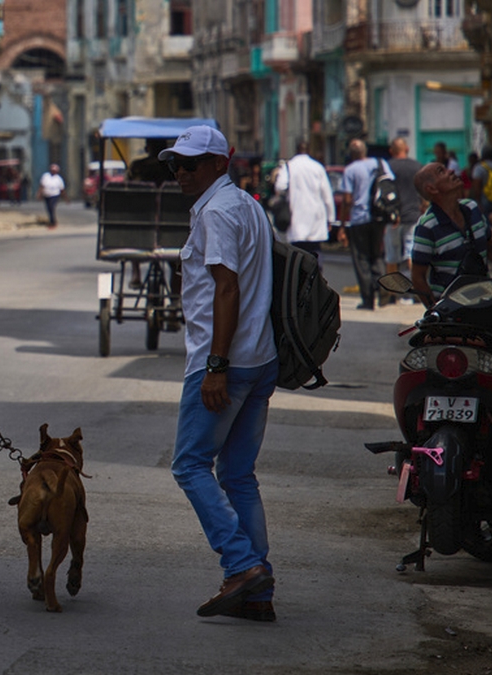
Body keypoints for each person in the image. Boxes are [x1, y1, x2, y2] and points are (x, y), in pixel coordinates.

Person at [156, 126, 278, 621]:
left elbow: (226, 289)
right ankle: (258, 594)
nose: (181, 173)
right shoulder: (246, 204)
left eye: (191, 163)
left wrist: (215, 367)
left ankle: (243, 565)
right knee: (237, 475)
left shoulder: (219, 212)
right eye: (175, 165)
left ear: (218, 164)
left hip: (226, 362)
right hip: (259, 358)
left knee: (189, 465)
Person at [410, 161, 492, 449]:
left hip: (487, 305)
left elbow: (491, 249)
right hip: (449, 313)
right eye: (442, 172)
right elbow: (418, 277)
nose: (450, 172)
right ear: (432, 189)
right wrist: (434, 309)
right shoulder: (427, 226)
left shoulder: (472, 208)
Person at [336, 139, 395, 310]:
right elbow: (389, 185)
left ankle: (368, 300)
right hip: (378, 218)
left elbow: (347, 200)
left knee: (361, 259)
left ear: (351, 154)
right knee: (377, 255)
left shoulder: (350, 170)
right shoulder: (380, 163)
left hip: (359, 219)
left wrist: (342, 225)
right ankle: (384, 290)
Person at [272, 141, 334, 259]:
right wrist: (330, 218)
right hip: (316, 215)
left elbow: (280, 186)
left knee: (298, 252)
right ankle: (317, 273)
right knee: (315, 249)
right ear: (309, 151)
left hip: (296, 213)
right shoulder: (317, 167)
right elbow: (327, 195)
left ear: (296, 150)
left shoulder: (289, 166)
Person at [127, 138, 172, 287]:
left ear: (147, 149)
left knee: (134, 229)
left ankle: (136, 273)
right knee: (177, 260)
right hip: (171, 223)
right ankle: (175, 296)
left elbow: (127, 189)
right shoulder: (174, 167)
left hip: (143, 220)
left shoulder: (138, 166)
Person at [386, 138, 424, 301]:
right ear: (407, 148)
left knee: (392, 256)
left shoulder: (387, 167)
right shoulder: (417, 166)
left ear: (391, 150)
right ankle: (416, 291)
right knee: (410, 254)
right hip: (413, 215)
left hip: (392, 217)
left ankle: (393, 293)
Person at [469, 145, 492, 241]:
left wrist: (478, 201)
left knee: (488, 225)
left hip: (486, 200)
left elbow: (476, 186)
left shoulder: (479, 168)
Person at [38, 163, 65, 228]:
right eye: (52, 170)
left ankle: (53, 221)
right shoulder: (45, 176)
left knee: (52, 207)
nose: (53, 172)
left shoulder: (59, 178)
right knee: (48, 208)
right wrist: (39, 194)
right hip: (46, 195)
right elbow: (42, 186)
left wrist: (65, 198)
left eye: (55, 171)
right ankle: (51, 220)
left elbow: (62, 189)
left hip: (55, 195)